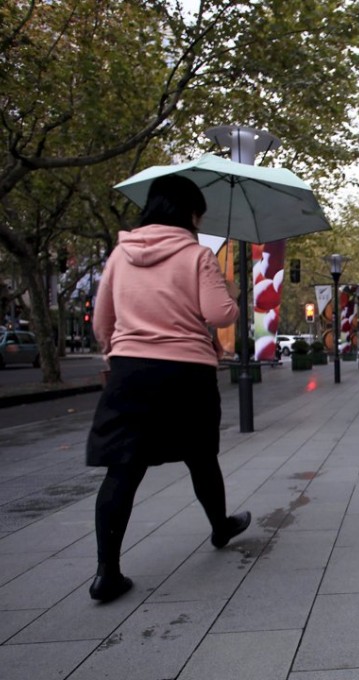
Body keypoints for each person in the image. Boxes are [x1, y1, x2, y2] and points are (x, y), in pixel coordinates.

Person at [85, 174, 250, 603]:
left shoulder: (121, 254)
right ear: (190, 213)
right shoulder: (197, 256)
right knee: (200, 457)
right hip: (186, 375)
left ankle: (107, 573)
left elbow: (102, 321)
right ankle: (220, 526)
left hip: (130, 371)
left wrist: (116, 356)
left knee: (122, 469)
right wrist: (228, 291)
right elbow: (219, 314)